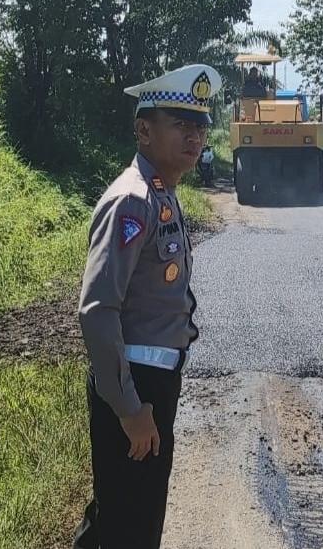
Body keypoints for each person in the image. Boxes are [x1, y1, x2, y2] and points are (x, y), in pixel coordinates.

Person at [72, 63, 220, 549]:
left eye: (199, 125)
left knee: (125, 516)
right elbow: (97, 309)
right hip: (134, 384)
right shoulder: (132, 200)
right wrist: (130, 408)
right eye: (180, 124)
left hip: (153, 381)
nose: (194, 136)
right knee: (129, 527)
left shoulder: (162, 194)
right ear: (143, 130)